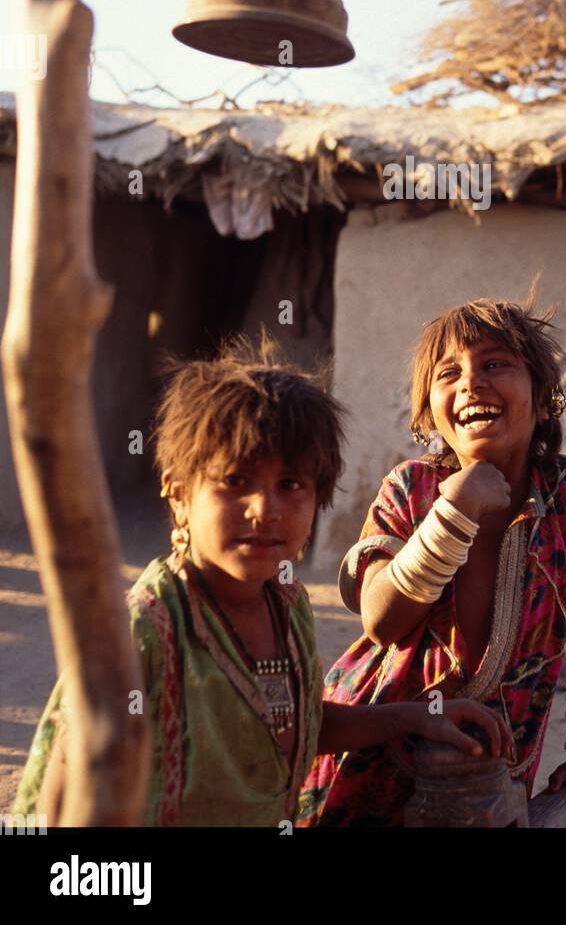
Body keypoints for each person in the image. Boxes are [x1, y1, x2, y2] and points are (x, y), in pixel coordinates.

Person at [13, 334, 510, 827]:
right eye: (235, 481)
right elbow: (61, 807)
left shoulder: (285, 602)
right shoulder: (145, 631)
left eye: (290, 485)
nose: (265, 509)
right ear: (178, 492)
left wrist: (416, 716)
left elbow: (295, 727)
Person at [297, 293, 566, 829]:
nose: (471, 382)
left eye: (496, 364)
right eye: (448, 372)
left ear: (544, 396)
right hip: (371, 753)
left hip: (496, 766)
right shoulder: (411, 489)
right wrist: (453, 511)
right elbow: (381, 621)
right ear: (427, 412)